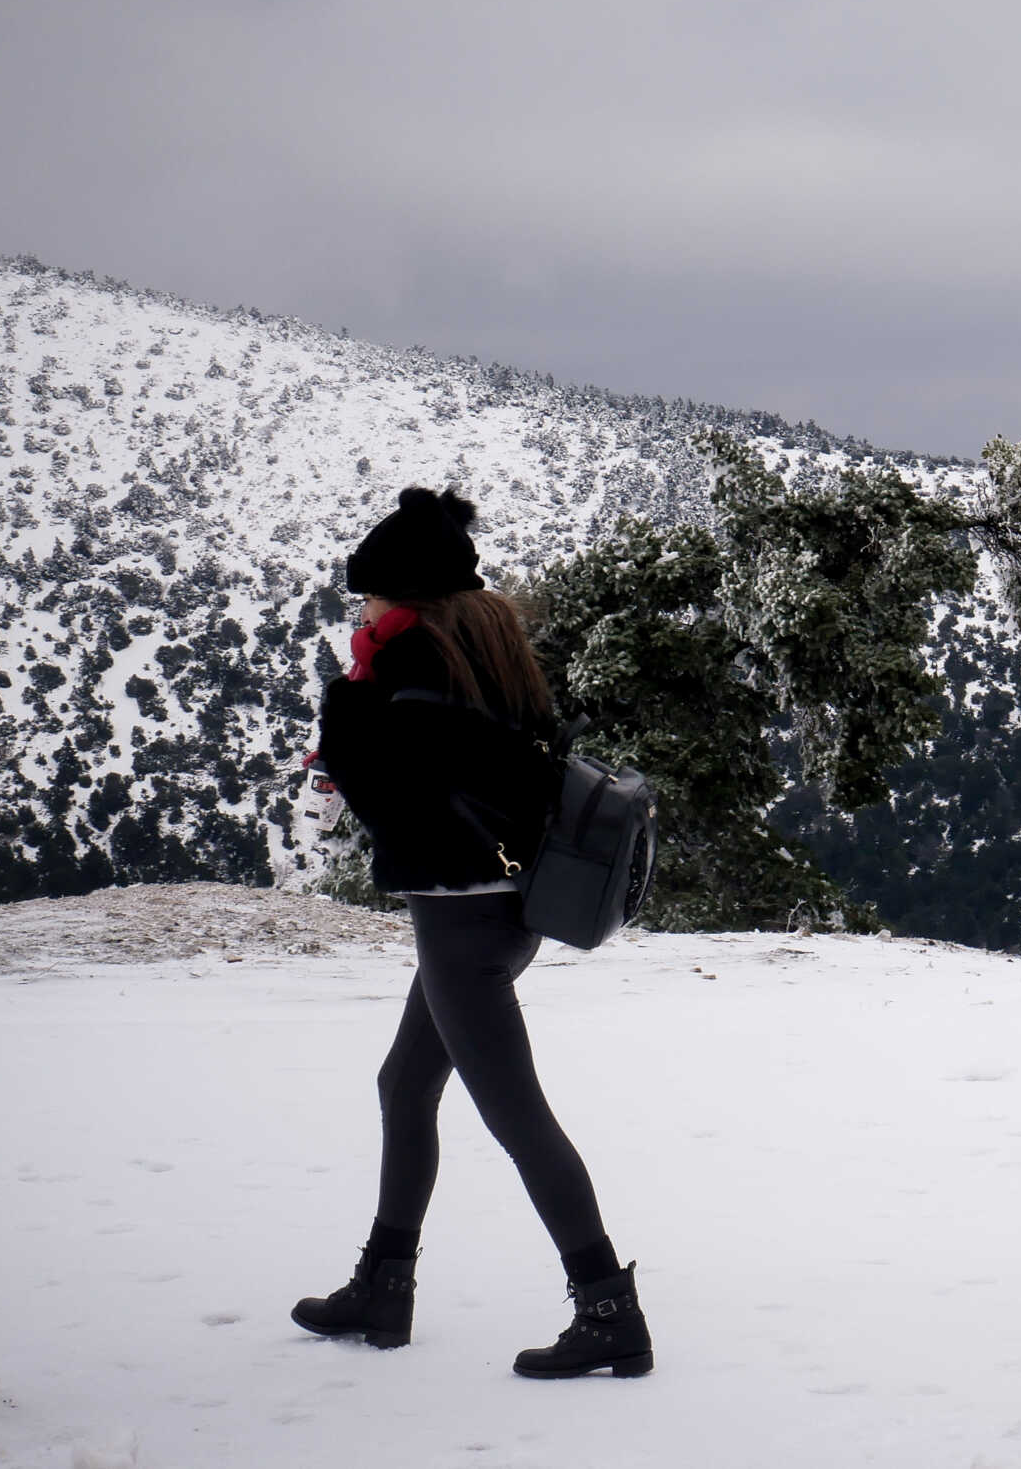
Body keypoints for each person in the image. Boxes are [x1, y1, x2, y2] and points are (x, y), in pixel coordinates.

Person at [292, 487, 653, 1380]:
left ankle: (609, 1309)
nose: (362, 612)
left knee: (516, 1115)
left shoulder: (412, 669)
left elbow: (393, 804)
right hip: (501, 909)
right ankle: (384, 1284)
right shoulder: (482, 646)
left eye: (367, 597)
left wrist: (344, 709)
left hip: (462, 919)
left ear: (404, 597)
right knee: (404, 1083)